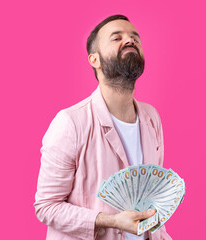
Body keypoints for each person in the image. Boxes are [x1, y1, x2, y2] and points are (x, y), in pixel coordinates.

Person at [34, 14, 172, 240]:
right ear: (94, 60)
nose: (129, 40)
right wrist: (111, 221)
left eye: (134, 37)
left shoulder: (151, 118)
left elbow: (152, 199)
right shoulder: (71, 122)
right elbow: (47, 206)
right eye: (116, 38)